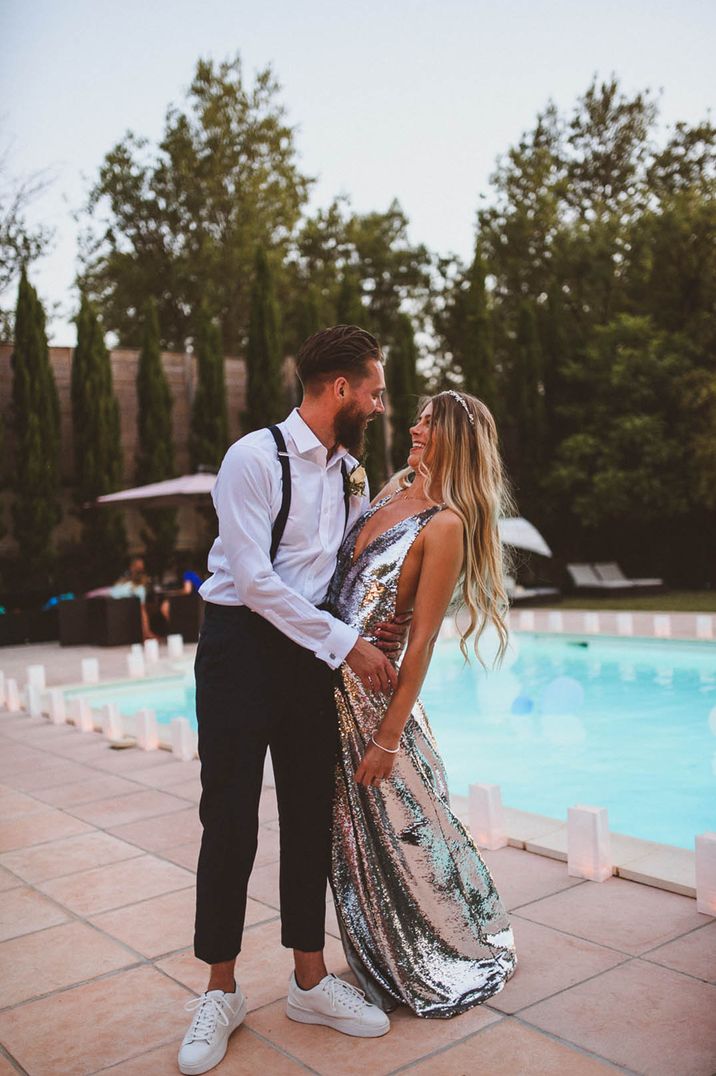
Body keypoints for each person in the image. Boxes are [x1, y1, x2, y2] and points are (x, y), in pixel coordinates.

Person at [178, 326, 410, 1076]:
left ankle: (310, 979)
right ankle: (219, 989)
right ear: (339, 389)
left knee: (310, 814)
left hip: (309, 657)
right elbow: (254, 582)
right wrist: (348, 645)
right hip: (240, 651)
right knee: (232, 819)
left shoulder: (350, 471)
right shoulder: (254, 458)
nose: (379, 404)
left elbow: (351, 565)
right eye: (373, 391)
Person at [327, 389, 518, 1017]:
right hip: (328, 682)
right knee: (350, 835)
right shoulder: (388, 490)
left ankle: (433, 950)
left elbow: (424, 641)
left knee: (403, 831)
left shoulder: (445, 525)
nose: (412, 428)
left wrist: (387, 738)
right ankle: (374, 947)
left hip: (376, 704)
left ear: (455, 440)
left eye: (427, 424)